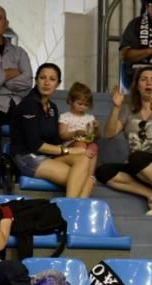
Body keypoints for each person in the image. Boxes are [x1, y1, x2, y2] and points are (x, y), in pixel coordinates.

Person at [95, 68, 152, 216]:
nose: (148, 82)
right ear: (137, 85)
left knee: (136, 157)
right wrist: (117, 108)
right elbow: (109, 133)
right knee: (103, 172)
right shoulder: (128, 110)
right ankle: (151, 194)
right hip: (140, 168)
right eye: (143, 79)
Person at [10, 63, 96, 198]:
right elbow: (35, 145)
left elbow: (55, 140)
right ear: (36, 80)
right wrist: (70, 151)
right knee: (83, 180)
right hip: (27, 157)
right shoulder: (29, 104)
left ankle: (70, 213)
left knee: (85, 166)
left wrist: (78, 141)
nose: (46, 83)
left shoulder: (52, 108)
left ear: (58, 83)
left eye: (52, 79)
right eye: (42, 78)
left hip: (48, 157)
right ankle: (70, 213)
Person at [0, 4, 33, 154]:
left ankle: (26, 163)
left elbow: (28, 81)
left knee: (34, 116)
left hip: (17, 103)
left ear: (6, 24)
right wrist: (11, 73)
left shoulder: (19, 52)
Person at [58, 82, 99, 156]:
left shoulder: (90, 118)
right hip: (69, 147)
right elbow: (62, 135)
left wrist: (96, 128)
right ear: (71, 101)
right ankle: (81, 166)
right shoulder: (65, 117)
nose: (83, 107)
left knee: (94, 146)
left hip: (87, 143)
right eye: (80, 104)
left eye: (86, 105)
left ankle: (90, 168)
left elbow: (96, 137)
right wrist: (75, 133)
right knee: (81, 145)